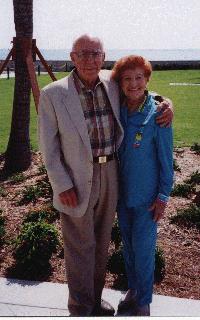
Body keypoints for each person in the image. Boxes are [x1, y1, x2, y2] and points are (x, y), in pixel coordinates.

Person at [38, 34, 173, 316]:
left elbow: (141, 89)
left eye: (95, 53)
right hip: (74, 179)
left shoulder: (112, 83)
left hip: (111, 173)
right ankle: (80, 306)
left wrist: (165, 102)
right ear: (72, 57)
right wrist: (61, 183)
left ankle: (95, 299)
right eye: (83, 53)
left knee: (101, 243)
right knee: (79, 246)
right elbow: (48, 147)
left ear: (103, 57)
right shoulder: (53, 93)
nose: (89, 59)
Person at [111, 55, 174, 316]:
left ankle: (144, 301)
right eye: (127, 78)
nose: (133, 84)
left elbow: (166, 159)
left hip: (148, 199)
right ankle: (134, 290)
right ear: (120, 83)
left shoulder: (158, 113)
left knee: (144, 251)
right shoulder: (118, 108)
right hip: (121, 196)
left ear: (147, 80)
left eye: (139, 78)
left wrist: (163, 196)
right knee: (128, 247)